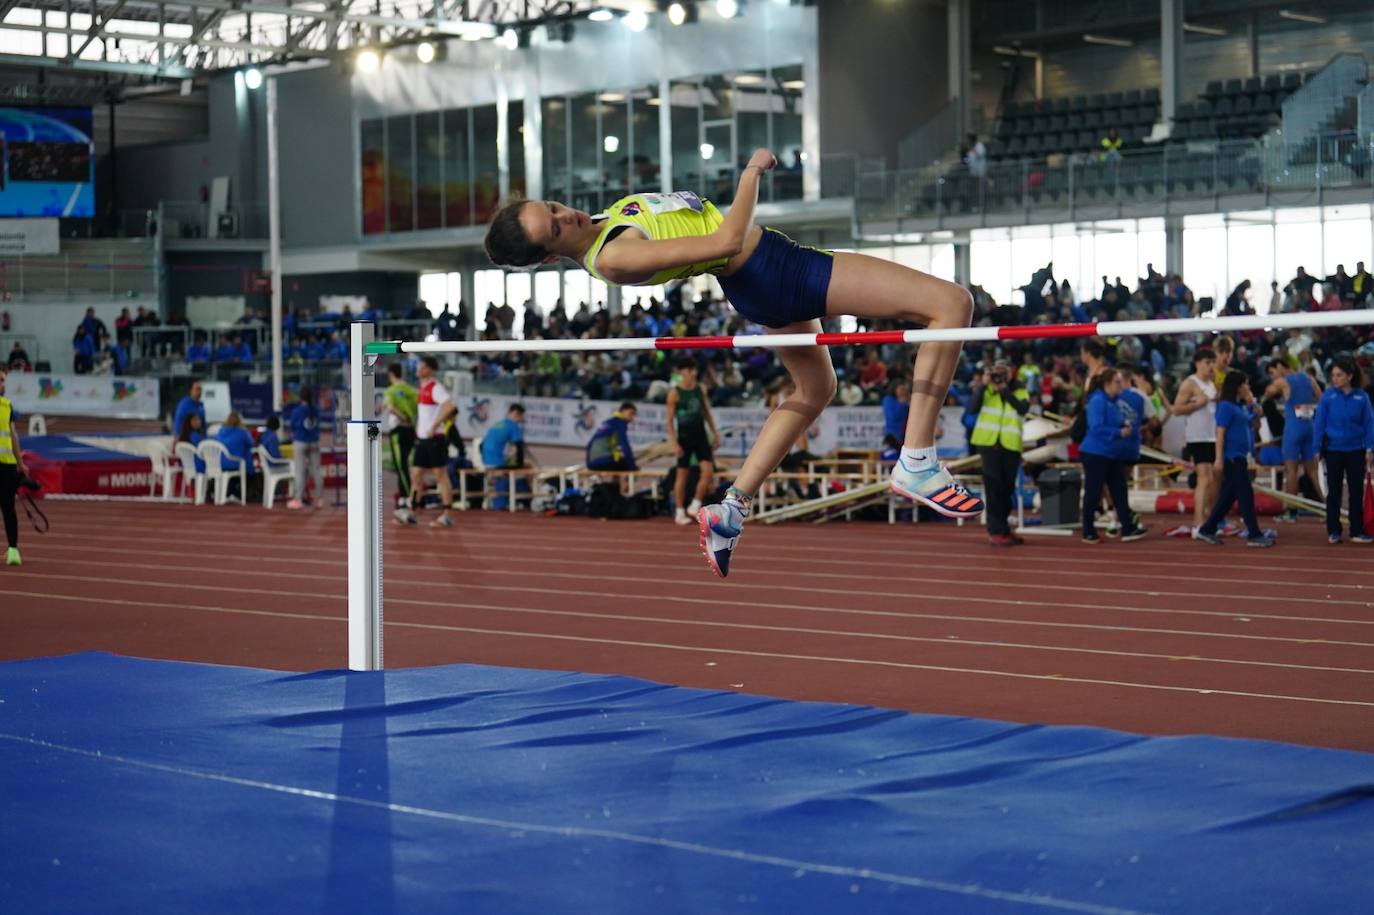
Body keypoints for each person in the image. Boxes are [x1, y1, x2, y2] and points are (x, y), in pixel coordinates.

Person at [483, 146, 982, 578]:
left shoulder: (603, 223)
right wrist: (750, 174)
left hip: (759, 282)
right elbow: (724, 242)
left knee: (813, 392)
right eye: (554, 227)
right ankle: (917, 459)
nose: (566, 215)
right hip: (774, 270)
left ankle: (732, 507)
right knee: (951, 304)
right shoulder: (612, 257)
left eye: (553, 206)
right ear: (550, 256)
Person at [1192, 370, 1274, 548]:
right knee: (1245, 494)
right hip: (1232, 457)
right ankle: (1254, 533)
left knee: (1227, 497)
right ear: (1238, 386)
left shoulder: (1239, 407)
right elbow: (1220, 433)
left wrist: (1254, 407)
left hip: (1241, 456)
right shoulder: (1226, 407)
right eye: (1246, 384)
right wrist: (1219, 459)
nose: (1248, 387)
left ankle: (1207, 529)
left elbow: (1250, 422)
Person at [1079, 368, 1148, 543]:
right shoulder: (1097, 401)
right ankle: (1088, 530)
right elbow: (1095, 427)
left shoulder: (1114, 401)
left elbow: (1116, 420)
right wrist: (1118, 432)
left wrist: (1124, 424)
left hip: (1111, 453)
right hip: (1095, 453)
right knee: (1093, 492)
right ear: (1107, 384)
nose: (1121, 385)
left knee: (1119, 490)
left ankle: (1127, 528)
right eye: (1117, 382)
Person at [1312, 358, 1374, 544]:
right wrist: (1316, 448)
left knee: (1356, 491)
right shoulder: (1328, 397)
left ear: (1350, 376)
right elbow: (1319, 423)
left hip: (1356, 450)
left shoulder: (1362, 397)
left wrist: (1370, 448)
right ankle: (1334, 530)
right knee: (1334, 491)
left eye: (1339, 375)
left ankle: (1356, 530)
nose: (1335, 379)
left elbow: (1369, 424)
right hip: (1333, 450)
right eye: (1333, 375)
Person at [969, 361, 1029, 547]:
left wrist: (1004, 390)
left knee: (1007, 489)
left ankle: (1003, 527)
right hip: (989, 444)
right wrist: (982, 386)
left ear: (1011, 373)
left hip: (1010, 445)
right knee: (994, 488)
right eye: (997, 373)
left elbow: (1022, 408)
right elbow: (972, 408)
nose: (1000, 377)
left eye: (1004, 373)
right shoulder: (986, 390)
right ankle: (995, 531)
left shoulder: (1019, 389)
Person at [394, 356, 455, 528]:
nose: (418, 369)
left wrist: (435, 425)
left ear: (430, 369)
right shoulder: (421, 388)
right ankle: (412, 512)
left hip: (436, 439)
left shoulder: (435, 387)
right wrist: (420, 428)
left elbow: (449, 406)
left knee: (440, 476)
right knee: (416, 475)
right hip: (422, 439)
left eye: (422, 367)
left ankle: (447, 514)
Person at [1263, 359, 1322, 523]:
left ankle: (1291, 512)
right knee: (1313, 471)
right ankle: (1329, 507)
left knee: (1291, 471)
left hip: (1293, 429)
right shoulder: (1308, 378)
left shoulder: (1283, 381)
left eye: (1272, 372)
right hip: (1309, 426)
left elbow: (1268, 393)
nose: (1272, 376)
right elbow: (1321, 397)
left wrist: (1273, 386)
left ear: (1281, 366)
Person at [667, 356, 721, 525]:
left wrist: (715, 432)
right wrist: (674, 442)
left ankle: (695, 504)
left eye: (695, 370)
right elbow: (669, 421)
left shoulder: (701, 389)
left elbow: (707, 412)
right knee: (681, 476)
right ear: (682, 372)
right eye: (690, 370)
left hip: (701, 436)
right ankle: (679, 511)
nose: (693, 373)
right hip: (684, 438)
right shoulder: (675, 393)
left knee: (708, 472)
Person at [1174, 347, 1218, 539]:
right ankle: (1198, 523)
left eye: (1212, 362)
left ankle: (1208, 517)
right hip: (1197, 437)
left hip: (1211, 436)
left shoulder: (1211, 383)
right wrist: (1197, 404)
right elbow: (1177, 409)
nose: (1211, 366)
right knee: (1204, 479)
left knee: (1213, 479)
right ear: (1198, 363)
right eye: (1207, 363)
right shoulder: (1190, 383)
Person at [0, 367, 27, 566]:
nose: (2, 384)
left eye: (3, 380)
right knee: (8, 508)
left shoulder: (7, 406)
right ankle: (12, 550)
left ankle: (13, 550)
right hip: (6, 468)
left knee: (9, 509)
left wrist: (20, 463)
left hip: (7, 467)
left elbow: (13, 436)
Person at [479, 403, 528, 512]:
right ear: (515, 414)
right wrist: (520, 465)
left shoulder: (498, 423)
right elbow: (519, 447)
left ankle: (518, 500)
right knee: (519, 475)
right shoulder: (513, 426)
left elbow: (481, 444)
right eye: (521, 416)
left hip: (486, 460)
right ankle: (524, 501)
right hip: (497, 461)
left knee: (511, 474)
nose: (521, 420)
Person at [384, 363, 419, 510]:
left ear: (391, 374)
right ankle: (404, 497)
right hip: (411, 430)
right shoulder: (411, 390)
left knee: (401, 466)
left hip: (398, 431)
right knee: (405, 464)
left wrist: (402, 417)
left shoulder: (391, 390)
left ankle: (407, 497)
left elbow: (390, 408)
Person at [286, 386, 322, 509]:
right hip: (314, 442)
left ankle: (298, 499)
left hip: (300, 441)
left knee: (300, 470)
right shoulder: (315, 410)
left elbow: (292, 426)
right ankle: (319, 499)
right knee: (316, 470)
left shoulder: (297, 411)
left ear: (300, 397)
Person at [214, 411, 257, 501]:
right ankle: (241, 494)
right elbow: (251, 443)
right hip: (235, 464)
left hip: (220, 464)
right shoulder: (242, 432)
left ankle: (229, 492)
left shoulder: (220, 432)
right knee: (251, 473)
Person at [586, 402, 638, 472]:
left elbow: (589, 445)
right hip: (603, 462)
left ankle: (615, 483)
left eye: (634, 415)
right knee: (627, 465)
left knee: (620, 461)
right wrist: (632, 466)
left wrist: (588, 464)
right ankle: (622, 483)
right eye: (631, 414)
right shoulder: (620, 423)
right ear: (623, 411)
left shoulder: (608, 422)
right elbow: (625, 446)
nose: (632, 417)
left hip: (592, 463)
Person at [172, 382, 206, 448]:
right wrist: (178, 437)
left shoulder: (201, 405)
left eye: (200, 390)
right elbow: (178, 421)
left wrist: (204, 436)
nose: (199, 392)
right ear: (191, 391)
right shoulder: (184, 404)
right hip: (187, 439)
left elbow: (203, 423)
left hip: (198, 438)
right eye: (197, 389)